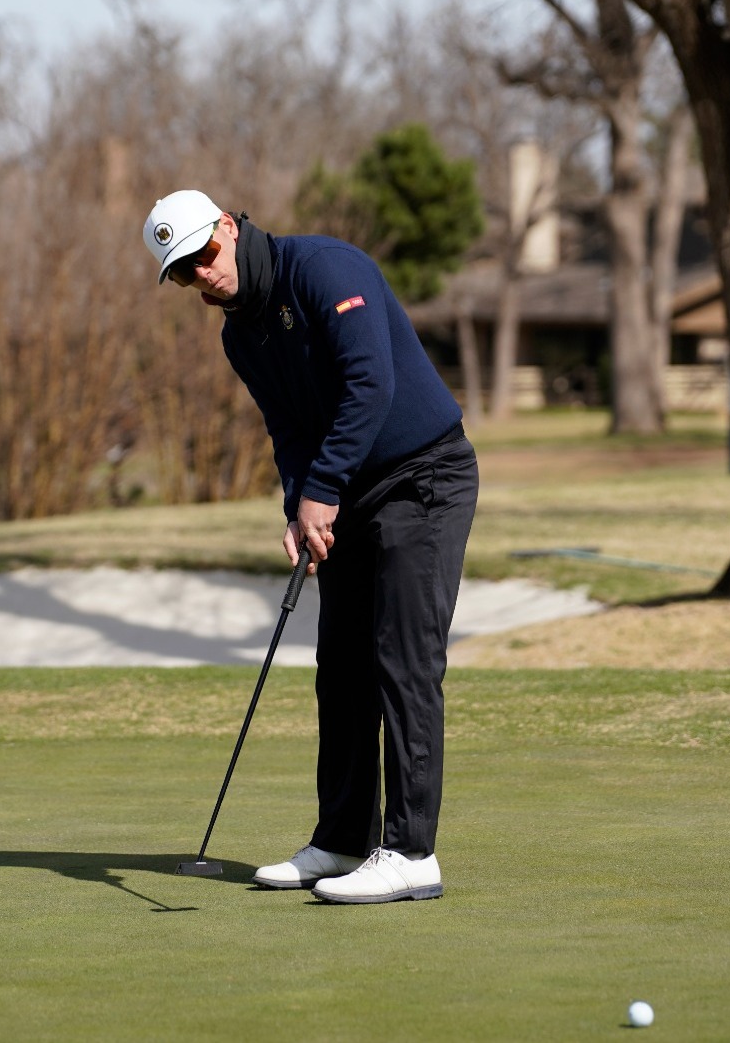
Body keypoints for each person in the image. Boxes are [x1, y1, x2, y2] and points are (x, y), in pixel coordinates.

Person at [142, 189, 479, 905]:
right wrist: (300, 503)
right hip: (347, 492)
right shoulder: (241, 335)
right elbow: (289, 429)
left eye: (203, 254)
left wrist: (322, 487)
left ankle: (412, 851)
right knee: (342, 664)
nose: (200, 275)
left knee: (403, 659)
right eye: (181, 272)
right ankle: (342, 839)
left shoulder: (325, 268)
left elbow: (371, 385)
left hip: (424, 477)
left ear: (229, 230)